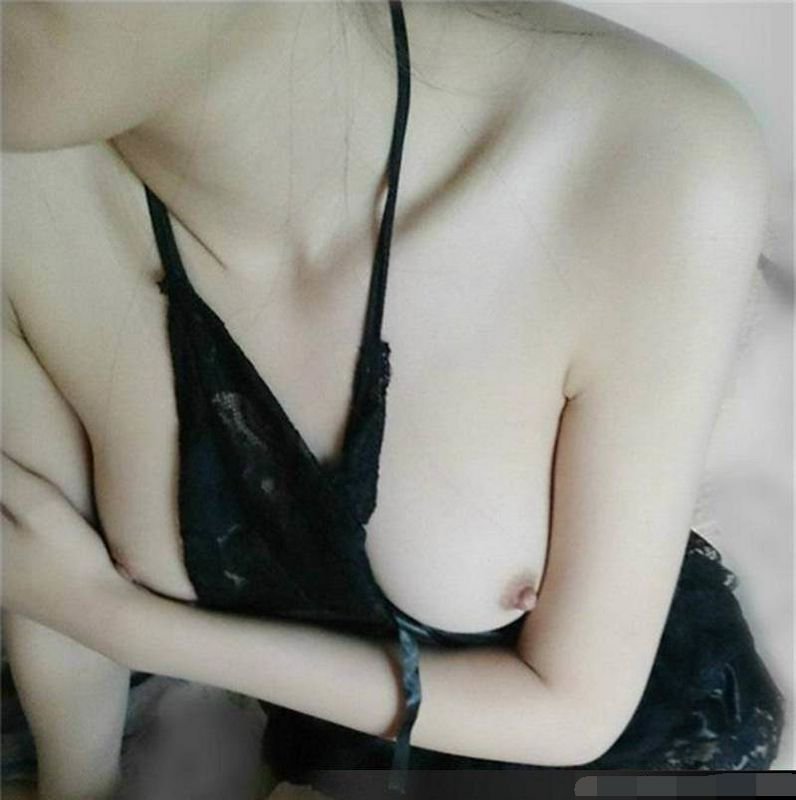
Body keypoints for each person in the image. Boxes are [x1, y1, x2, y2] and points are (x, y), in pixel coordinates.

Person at [1, 2, 786, 798]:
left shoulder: (643, 151)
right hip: (329, 742)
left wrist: (121, 622)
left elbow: (575, 711)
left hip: (627, 748)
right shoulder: (21, 189)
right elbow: (36, 571)